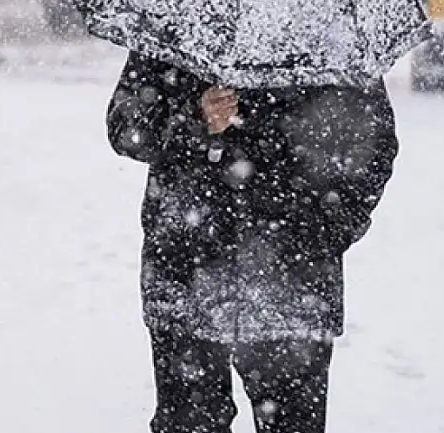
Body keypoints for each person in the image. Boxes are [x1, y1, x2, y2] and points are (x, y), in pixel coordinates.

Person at [107, 53, 399, 433]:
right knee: (189, 425)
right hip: (186, 271)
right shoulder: (178, 22)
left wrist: (325, 232)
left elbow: (373, 145)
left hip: (292, 282)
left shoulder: (327, 33)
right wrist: (194, 120)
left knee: (291, 425)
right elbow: (126, 128)